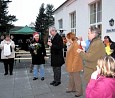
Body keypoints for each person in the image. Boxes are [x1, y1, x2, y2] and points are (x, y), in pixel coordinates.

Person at [65, 32, 83, 97]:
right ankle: (71, 88)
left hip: (75, 65)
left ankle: (79, 92)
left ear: (70, 38)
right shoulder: (72, 44)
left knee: (77, 79)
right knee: (71, 77)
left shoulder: (75, 45)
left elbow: (77, 56)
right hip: (71, 64)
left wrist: (74, 65)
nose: (66, 39)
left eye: (67, 38)